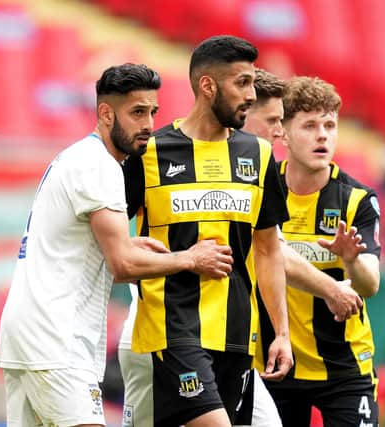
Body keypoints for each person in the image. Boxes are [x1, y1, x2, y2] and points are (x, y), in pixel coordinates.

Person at [0, 63, 234, 427]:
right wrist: (189, 258)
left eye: (152, 112)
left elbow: (94, 251)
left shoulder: (77, 157)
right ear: (106, 113)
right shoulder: (101, 166)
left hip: (28, 335)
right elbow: (123, 265)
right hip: (57, 338)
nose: (148, 124)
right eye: (136, 112)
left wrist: (130, 245)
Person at [123, 36, 293, 427]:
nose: (251, 95)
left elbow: (267, 251)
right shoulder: (151, 152)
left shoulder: (259, 155)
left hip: (237, 333)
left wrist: (280, 333)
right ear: (208, 86)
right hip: (174, 327)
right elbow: (112, 234)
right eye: (242, 83)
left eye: (253, 83)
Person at [256, 76, 382, 427]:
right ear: (283, 131)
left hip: (344, 367)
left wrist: (351, 261)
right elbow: (269, 254)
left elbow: (369, 286)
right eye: (310, 125)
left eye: (329, 125)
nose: (322, 135)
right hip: (275, 362)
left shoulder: (357, 200)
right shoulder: (263, 191)